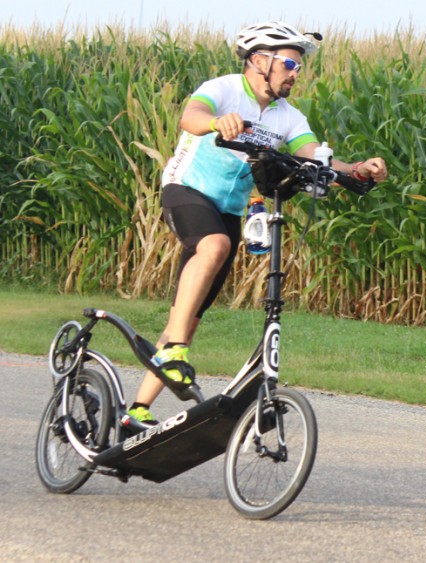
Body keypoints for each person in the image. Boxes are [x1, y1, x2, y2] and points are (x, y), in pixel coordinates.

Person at [127, 21, 388, 426]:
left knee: (189, 315)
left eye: (298, 66)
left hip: (230, 209)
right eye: (288, 63)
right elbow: (191, 116)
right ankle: (172, 350)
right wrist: (218, 122)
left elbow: (313, 154)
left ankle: (136, 411)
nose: (295, 73)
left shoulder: (287, 116)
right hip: (187, 190)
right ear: (258, 61)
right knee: (214, 247)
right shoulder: (225, 88)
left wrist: (355, 169)